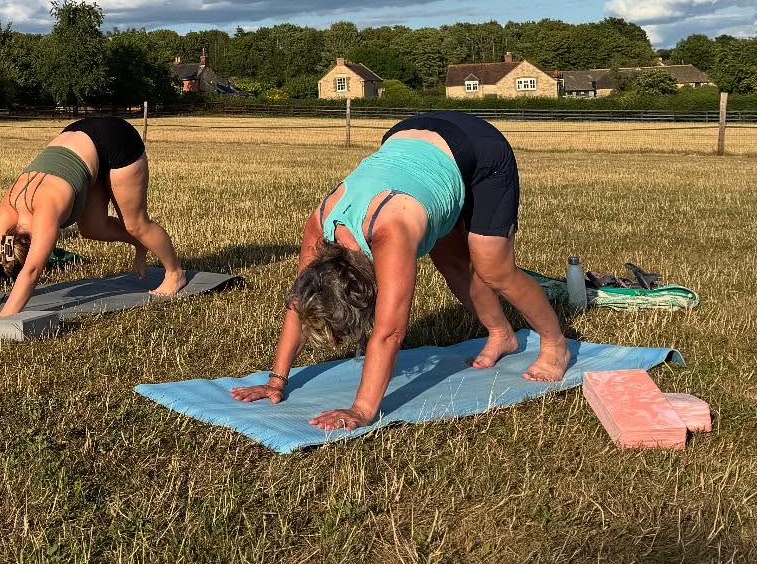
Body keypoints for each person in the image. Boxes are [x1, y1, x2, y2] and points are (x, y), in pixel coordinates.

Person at [231, 110, 568, 430]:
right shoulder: (320, 225)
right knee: (453, 267)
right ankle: (502, 336)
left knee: (493, 268)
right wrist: (276, 381)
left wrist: (362, 409)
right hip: (412, 142)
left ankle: (555, 344)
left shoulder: (390, 234)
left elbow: (390, 332)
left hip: (479, 149)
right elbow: (299, 303)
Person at [0, 116, 185, 331]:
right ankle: (141, 246)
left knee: (135, 224)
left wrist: (1, 320)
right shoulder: (8, 210)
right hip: (78, 138)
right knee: (93, 228)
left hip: (115, 140)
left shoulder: (45, 216)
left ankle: (175, 272)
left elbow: (32, 271)